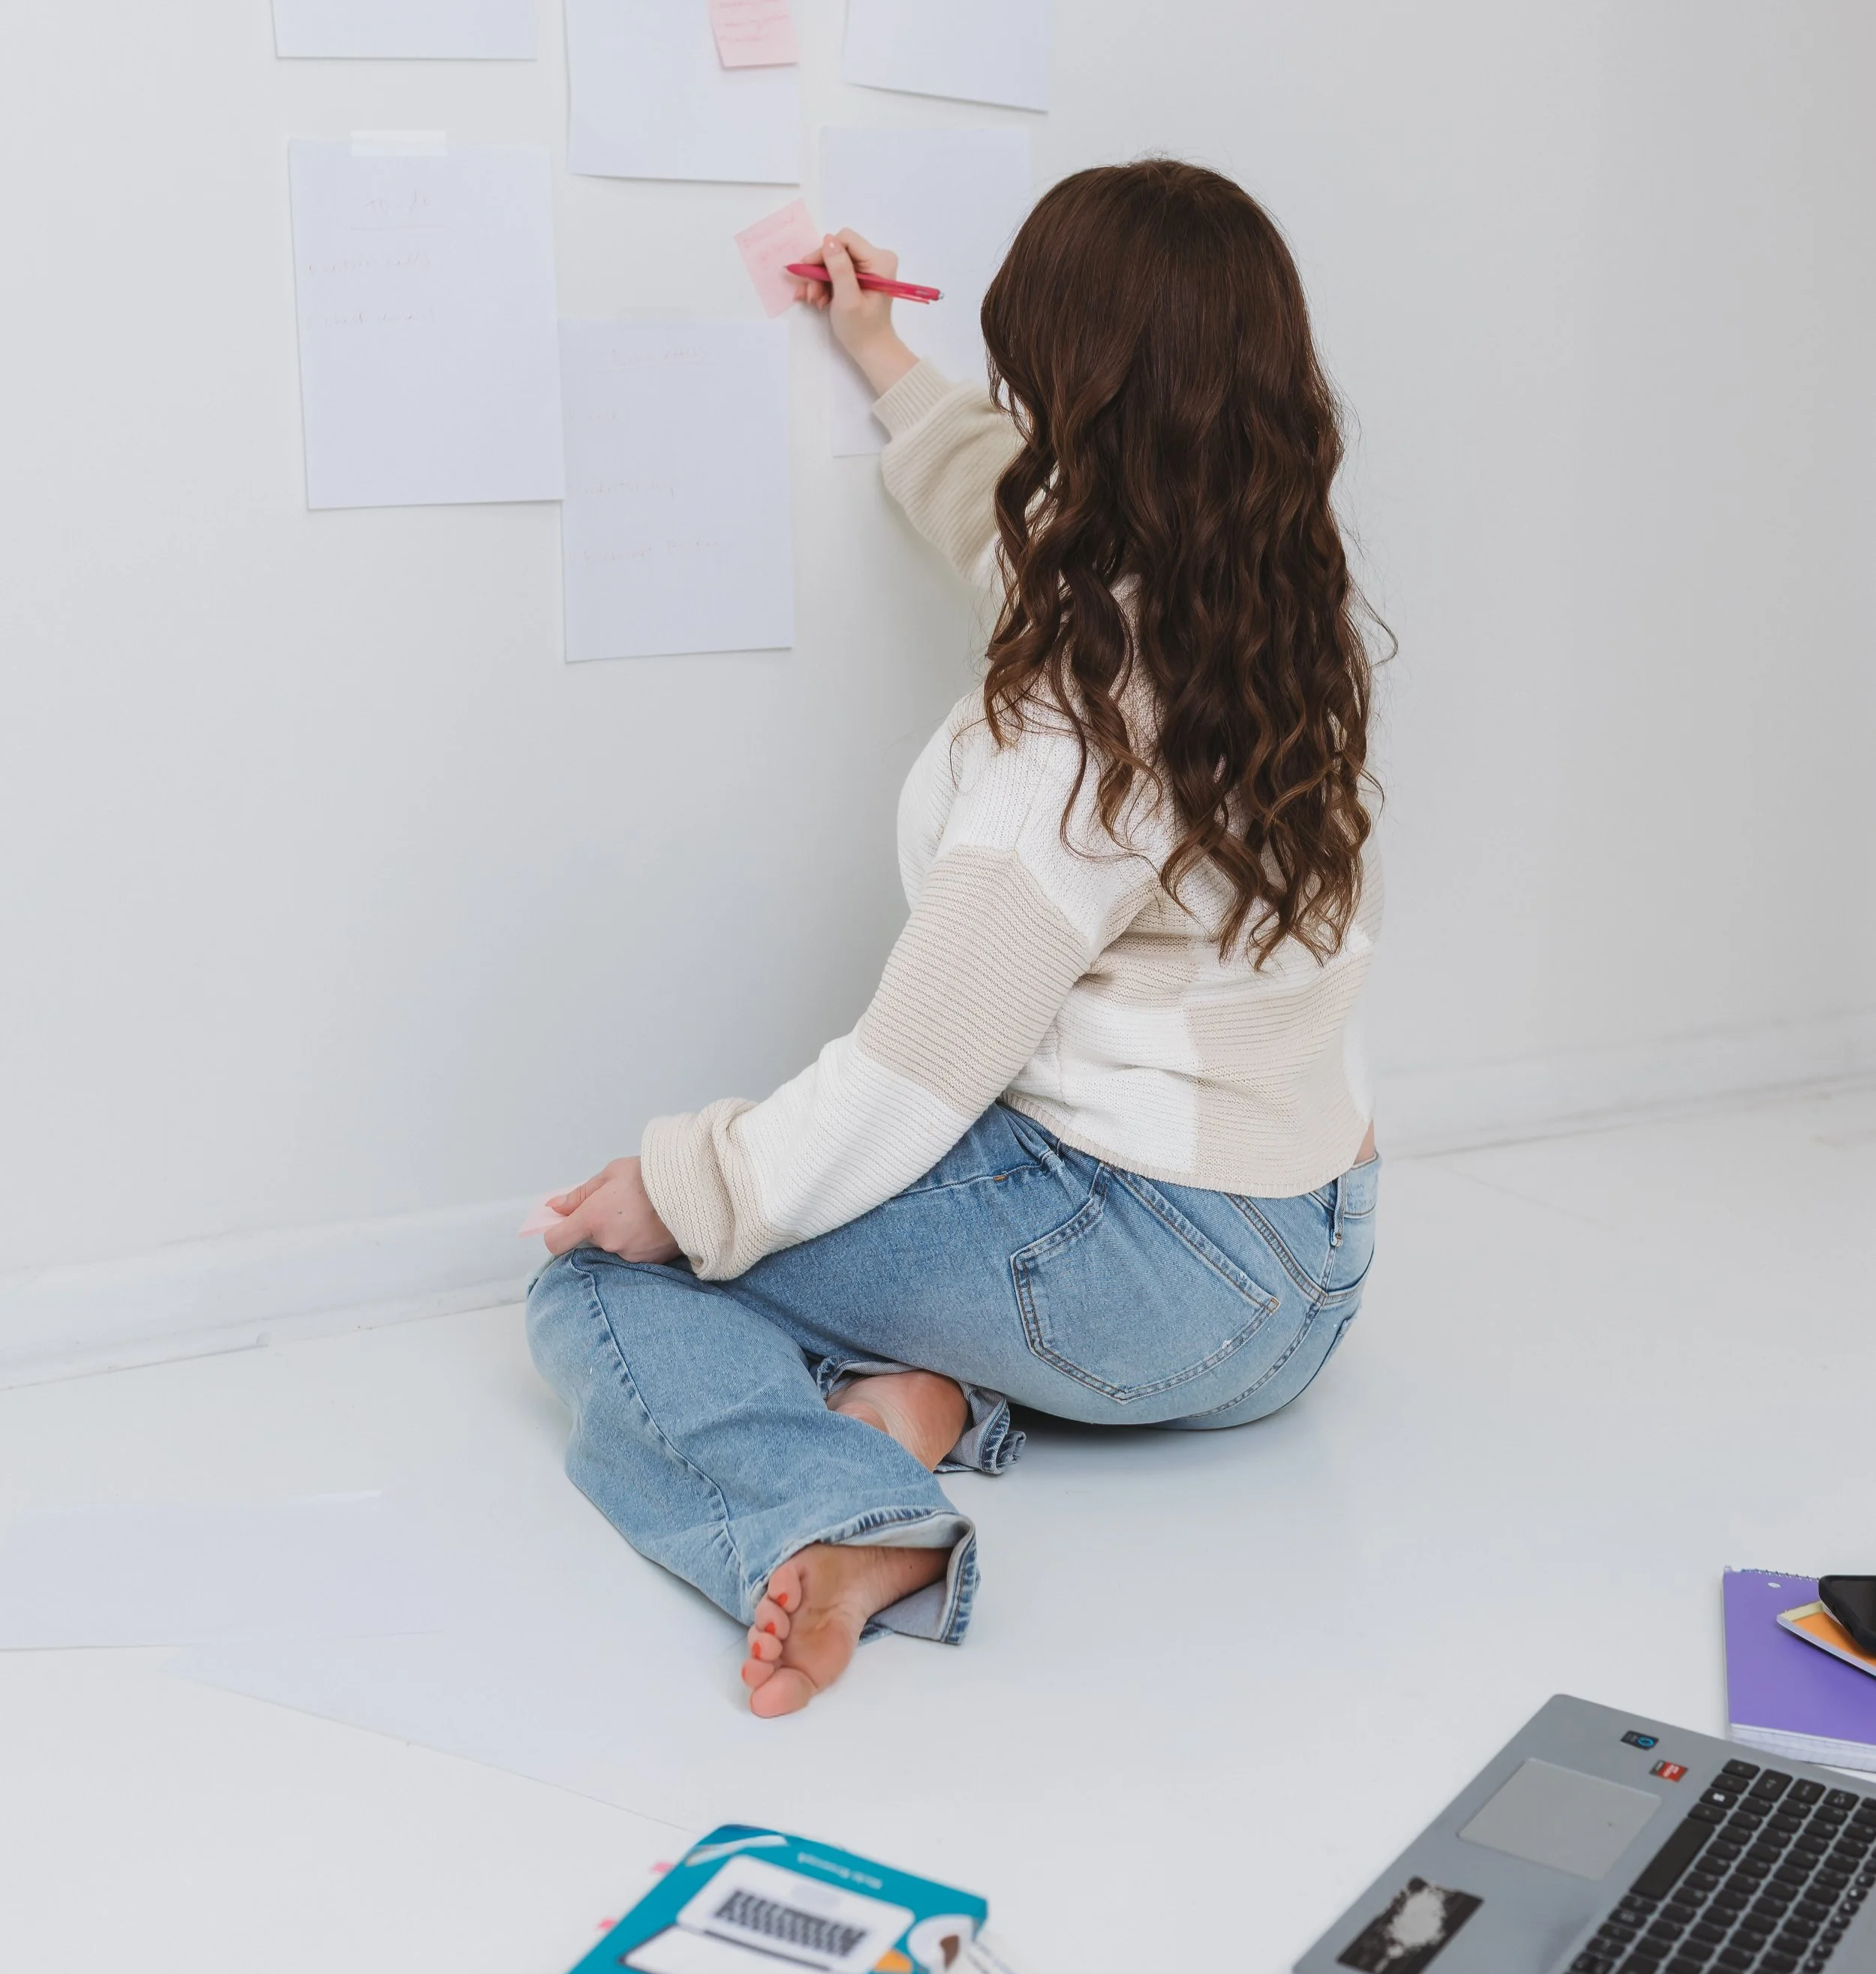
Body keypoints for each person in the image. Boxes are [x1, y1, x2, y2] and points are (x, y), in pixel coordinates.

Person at [528, 160, 1384, 1718]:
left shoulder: (1074, 729)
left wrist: (685, 1183)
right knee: (806, 1212)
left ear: (1076, 383)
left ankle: (849, 1518)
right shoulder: (1267, 610)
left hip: (1154, 1278)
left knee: (604, 1283)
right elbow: (1010, 518)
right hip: (1313, 1258)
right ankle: (916, 1398)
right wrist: (873, 350)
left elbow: (918, 1068)